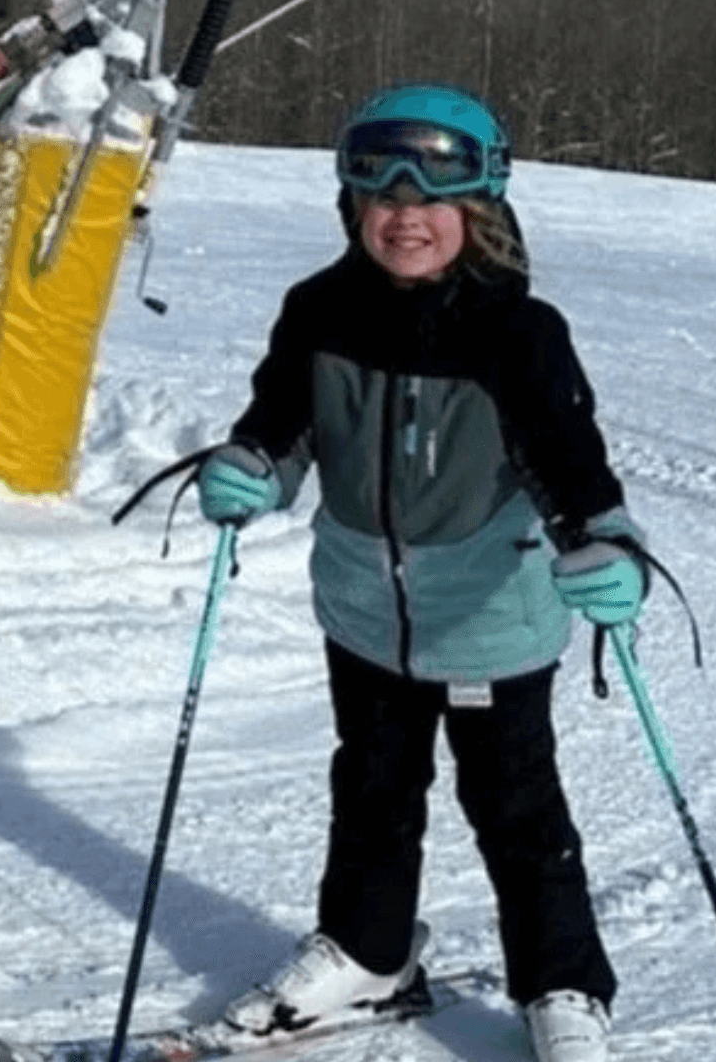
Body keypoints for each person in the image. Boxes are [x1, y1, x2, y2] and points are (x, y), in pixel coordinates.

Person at [193, 84, 643, 1062]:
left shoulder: (518, 333)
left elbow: (572, 467)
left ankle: (564, 980)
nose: (405, 215)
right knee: (372, 789)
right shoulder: (317, 311)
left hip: (487, 620)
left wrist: (608, 547)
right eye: (381, 193)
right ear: (352, 202)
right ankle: (368, 950)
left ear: (478, 206)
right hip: (362, 615)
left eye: (432, 196)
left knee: (516, 806)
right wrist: (248, 471)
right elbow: (279, 429)